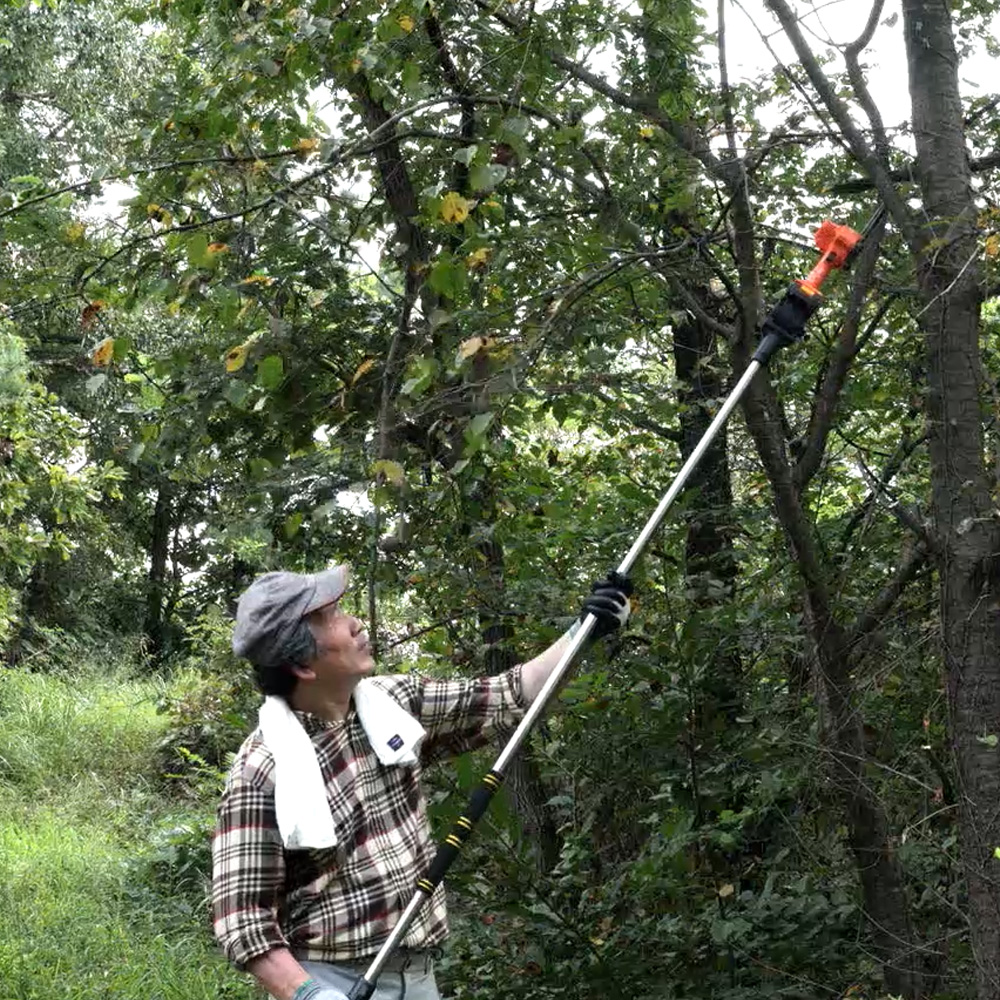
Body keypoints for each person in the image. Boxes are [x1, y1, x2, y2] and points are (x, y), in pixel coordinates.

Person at [211, 563, 633, 1000]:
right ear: (301, 664)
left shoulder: (391, 704)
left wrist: (583, 631)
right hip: (330, 981)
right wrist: (308, 994)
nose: (354, 623)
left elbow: (510, 694)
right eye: (331, 618)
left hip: (418, 974)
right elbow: (242, 920)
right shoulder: (263, 769)